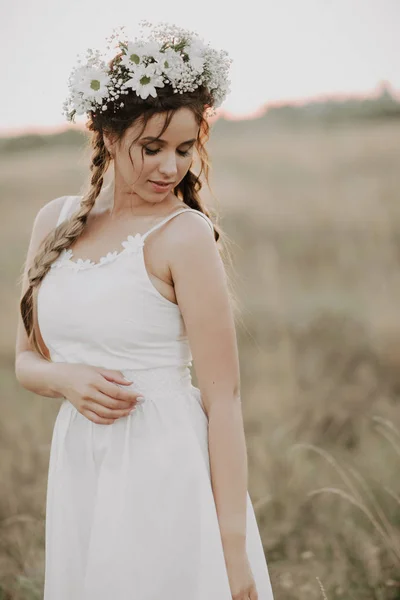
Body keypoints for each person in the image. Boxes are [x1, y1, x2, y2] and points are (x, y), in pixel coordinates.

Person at [15, 21, 275, 600]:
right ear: (107, 134)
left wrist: (231, 549)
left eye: (185, 149)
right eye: (151, 148)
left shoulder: (185, 236)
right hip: (83, 463)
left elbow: (224, 399)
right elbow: (24, 360)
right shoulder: (53, 222)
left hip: (167, 469)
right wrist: (66, 379)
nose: (169, 167)